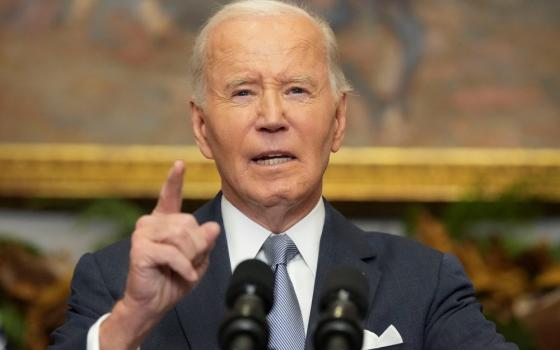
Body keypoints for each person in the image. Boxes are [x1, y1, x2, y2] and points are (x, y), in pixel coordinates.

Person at [50, 1, 518, 349]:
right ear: (201, 128)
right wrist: (130, 321)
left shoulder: (423, 281)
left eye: (296, 90)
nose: (272, 117)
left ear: (337, 122)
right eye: (243, 92)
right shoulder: (116, 282)